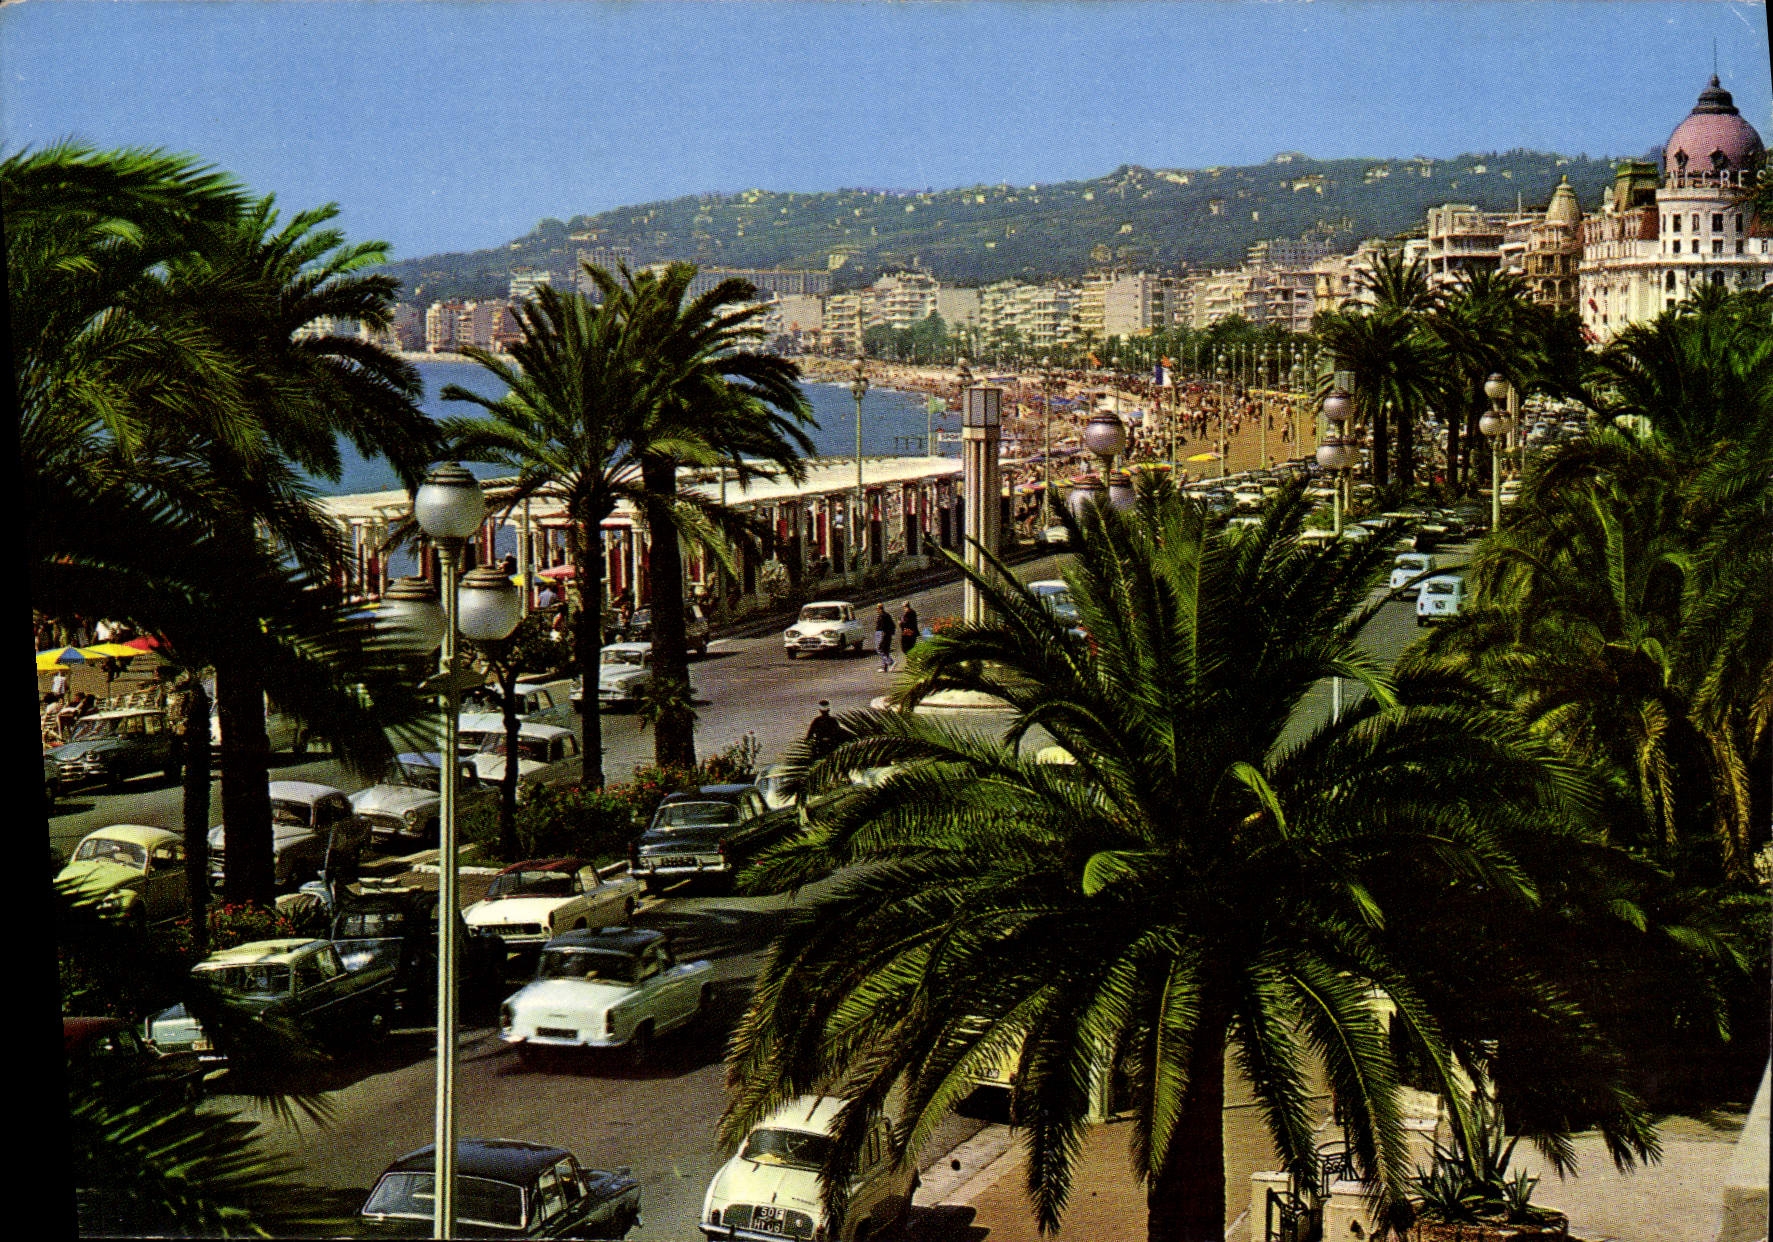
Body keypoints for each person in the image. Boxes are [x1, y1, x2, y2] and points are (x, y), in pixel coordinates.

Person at [874, 603, 896, 672]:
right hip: (888, 634)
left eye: (877, 608)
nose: (876, 610)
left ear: (879, 609)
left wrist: (883, 635)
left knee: (880, 649)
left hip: (882, 634)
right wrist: (891, 633)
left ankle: (890, 662)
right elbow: (893, 625)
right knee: (886, 651)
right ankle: (885, 668)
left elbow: (882, 627)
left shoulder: (882, 616)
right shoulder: (887, 615)